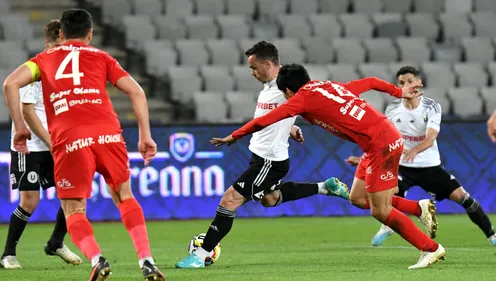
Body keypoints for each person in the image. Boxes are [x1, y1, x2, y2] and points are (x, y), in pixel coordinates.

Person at [210, 63, 446, 269]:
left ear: (289, 90)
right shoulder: (328, 86)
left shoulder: (301, 98)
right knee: (357, 198)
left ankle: (430, 248)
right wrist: (398, 92)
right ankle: (418, 208)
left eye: (286, 94)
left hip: (381, 145)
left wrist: (235, 135)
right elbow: (371, 81)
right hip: (378, 141)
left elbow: (265, 120)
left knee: (380, 210)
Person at [4, 9, 163, 281]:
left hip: (69, 138)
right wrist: (145, 134)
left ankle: (97, 259)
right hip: (108, 133)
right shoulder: (102, 57)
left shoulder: (41, 61)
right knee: (125, 195)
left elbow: (10, 84)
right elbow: (137, 91)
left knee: (73, 209)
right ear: (90, 35)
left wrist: (20, 128)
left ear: (61, 35)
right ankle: (146, 260)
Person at [175, 42, 349, 269]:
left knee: (229, 200)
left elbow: (302, 104)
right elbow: (278, 115)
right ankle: (325, 187)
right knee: (270, 199)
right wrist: (290, 127)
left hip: (269, 161)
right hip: (261, 157)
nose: (252, 73)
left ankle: (201, 254)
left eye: (254, 67)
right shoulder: (270, 87)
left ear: (268, 64)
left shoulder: (287, 87)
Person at [345, 66, 496, 247]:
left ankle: (491, 235)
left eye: (409, 81)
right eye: (401, 83)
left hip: (430, 167)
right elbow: (380, 141)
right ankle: (387, 225)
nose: (406, 85)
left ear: (418, 83)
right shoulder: (391, 110)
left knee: (465, 199)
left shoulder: (431, 107)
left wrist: (415, 150)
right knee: (378, 194)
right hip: (400, 167)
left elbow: (431, 136)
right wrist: (364, 159)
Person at [0, 20, 82, 270]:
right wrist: (50, 140)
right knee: (30, 201)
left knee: (76, 196)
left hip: (57, 143)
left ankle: (56, 242)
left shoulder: (66, 70)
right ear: (48, 43)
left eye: (66, 44)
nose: (63, 49)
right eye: (59, 44)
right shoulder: (35, 70)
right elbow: (28, 113)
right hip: (33, 146)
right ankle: (8, 255)